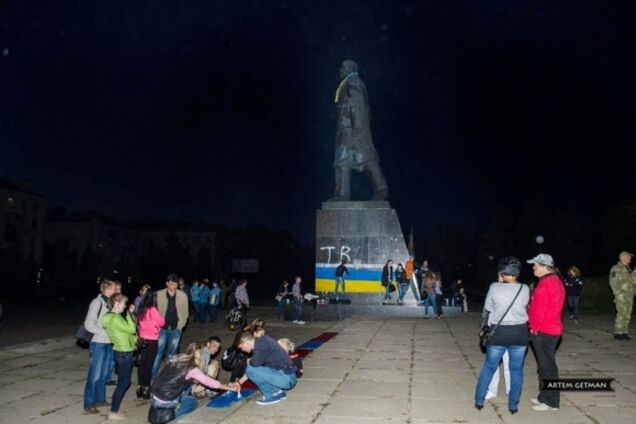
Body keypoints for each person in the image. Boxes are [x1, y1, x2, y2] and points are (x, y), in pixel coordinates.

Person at [474, 256, 530, 415]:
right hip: (519, 333)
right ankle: (513, 405)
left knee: (489, 367)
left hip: (499, 333)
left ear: (502, 272)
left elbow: (488, 309)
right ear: (517, 272)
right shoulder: (524, 288)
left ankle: (479, 400)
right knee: (516, 369)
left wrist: (499, 281)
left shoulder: (495, 287)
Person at [329, 59, 389, 201]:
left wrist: (357, 129)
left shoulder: (353, 82)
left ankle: (379, 190)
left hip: (352, 131)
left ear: (351, 68)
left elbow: (358, 106)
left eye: (343, 67)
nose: (341, 70)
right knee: (353, 161)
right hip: (349, 130)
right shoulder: (349, 82)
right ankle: (343, 194)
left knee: (359, 160)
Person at [149, 343, 239, 421]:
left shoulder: (177, 359)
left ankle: (175, 403)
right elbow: (210, 382)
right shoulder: (192, 369)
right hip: (166, 401)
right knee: (193, 403)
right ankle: (173, 413)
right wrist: (229, 388)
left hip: (155, 396)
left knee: (188, 386)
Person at [527, 253, 565, 411]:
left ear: (544, 266)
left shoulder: (548, 283)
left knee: (547, 367)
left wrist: (534, 328)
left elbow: (541, 310)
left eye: (536, 264)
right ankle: (544, 396)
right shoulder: (550, 281)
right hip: (547, 330)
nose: (533, 267)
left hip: (545, 331)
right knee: (544, 366)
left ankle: (551, 402)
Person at [236, 330, 298, 405]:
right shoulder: (261, 343)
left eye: (241, 347)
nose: (242, 350)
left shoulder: (261, 345)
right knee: (252, 369)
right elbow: (256, 369)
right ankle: (278, 392)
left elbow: (252, 368)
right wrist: (239, 382)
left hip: (286, 378)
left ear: (245, 343)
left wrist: (250, 361)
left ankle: (271, 394)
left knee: (250, 369)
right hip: (286, 377)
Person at [102, 293, 137, 421]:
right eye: (123, 303)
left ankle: (114, 409)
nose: (125, 306)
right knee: (123, 383)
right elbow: (132, 328)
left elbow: (125, 333)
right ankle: (113, 412)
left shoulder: (109, 317)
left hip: (120, 351)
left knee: (123, 382)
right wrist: (129, 314)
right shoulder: (116, 318)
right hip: (124, 352)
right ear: (117, 304)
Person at [83, 280, 116, 414]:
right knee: (94, 375)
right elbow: (89, 324)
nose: (116, 290)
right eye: (114, 288)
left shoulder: (109, 302)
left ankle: (100, 399)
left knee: (103, 374)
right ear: (107, 289)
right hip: (98, 343)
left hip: (108, 343)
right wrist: (105, 333)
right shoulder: (97, 302)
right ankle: (89, 403)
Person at [152, 274, 189, 380]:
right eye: (171, 283)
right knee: (158, 353)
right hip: (162, 328)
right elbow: (153, 311)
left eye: (175, 284)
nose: (173, 286)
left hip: (175, 328)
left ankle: (167, 377)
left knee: (172, 355)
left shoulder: (182, 295)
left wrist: (180, 326)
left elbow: (185, 311)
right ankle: (153, 377)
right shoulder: (159, 294)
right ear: (167, 283)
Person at [136, 291, 165, 400]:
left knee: (142, 364)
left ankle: (139, 387)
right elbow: (162, 322)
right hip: (152, 340)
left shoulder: (141, 309)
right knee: (148, 365)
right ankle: (146, 388)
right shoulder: (152, 309)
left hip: (143, 339)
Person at [609, 251, 635, 340]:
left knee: (627, 314)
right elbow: (612, 282)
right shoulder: (616, 268)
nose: (630, 259)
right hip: (621, 295)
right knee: (621, 313)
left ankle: (624, 332)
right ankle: (618, 332)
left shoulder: (628, 268)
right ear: (623, 258)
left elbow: (632, 282)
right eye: (628, 257)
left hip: (629, 295)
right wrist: (617, 293)